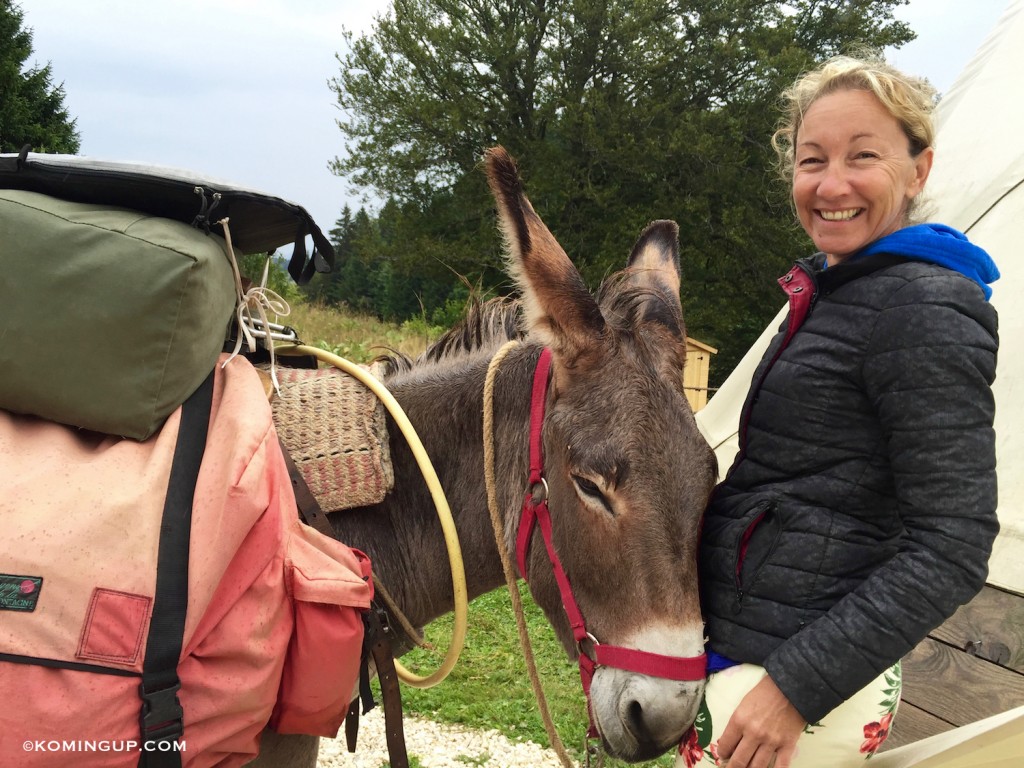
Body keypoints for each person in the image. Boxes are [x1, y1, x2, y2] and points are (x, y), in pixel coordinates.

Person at [679, 53, 1001, 768]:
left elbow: (953, 544)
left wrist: (795, 688)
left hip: (795, 688)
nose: (831, 185)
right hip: (751, 650)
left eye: (863, 157)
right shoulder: (841, 291)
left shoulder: (924, 307)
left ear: (919, 170)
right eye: (811, 160)